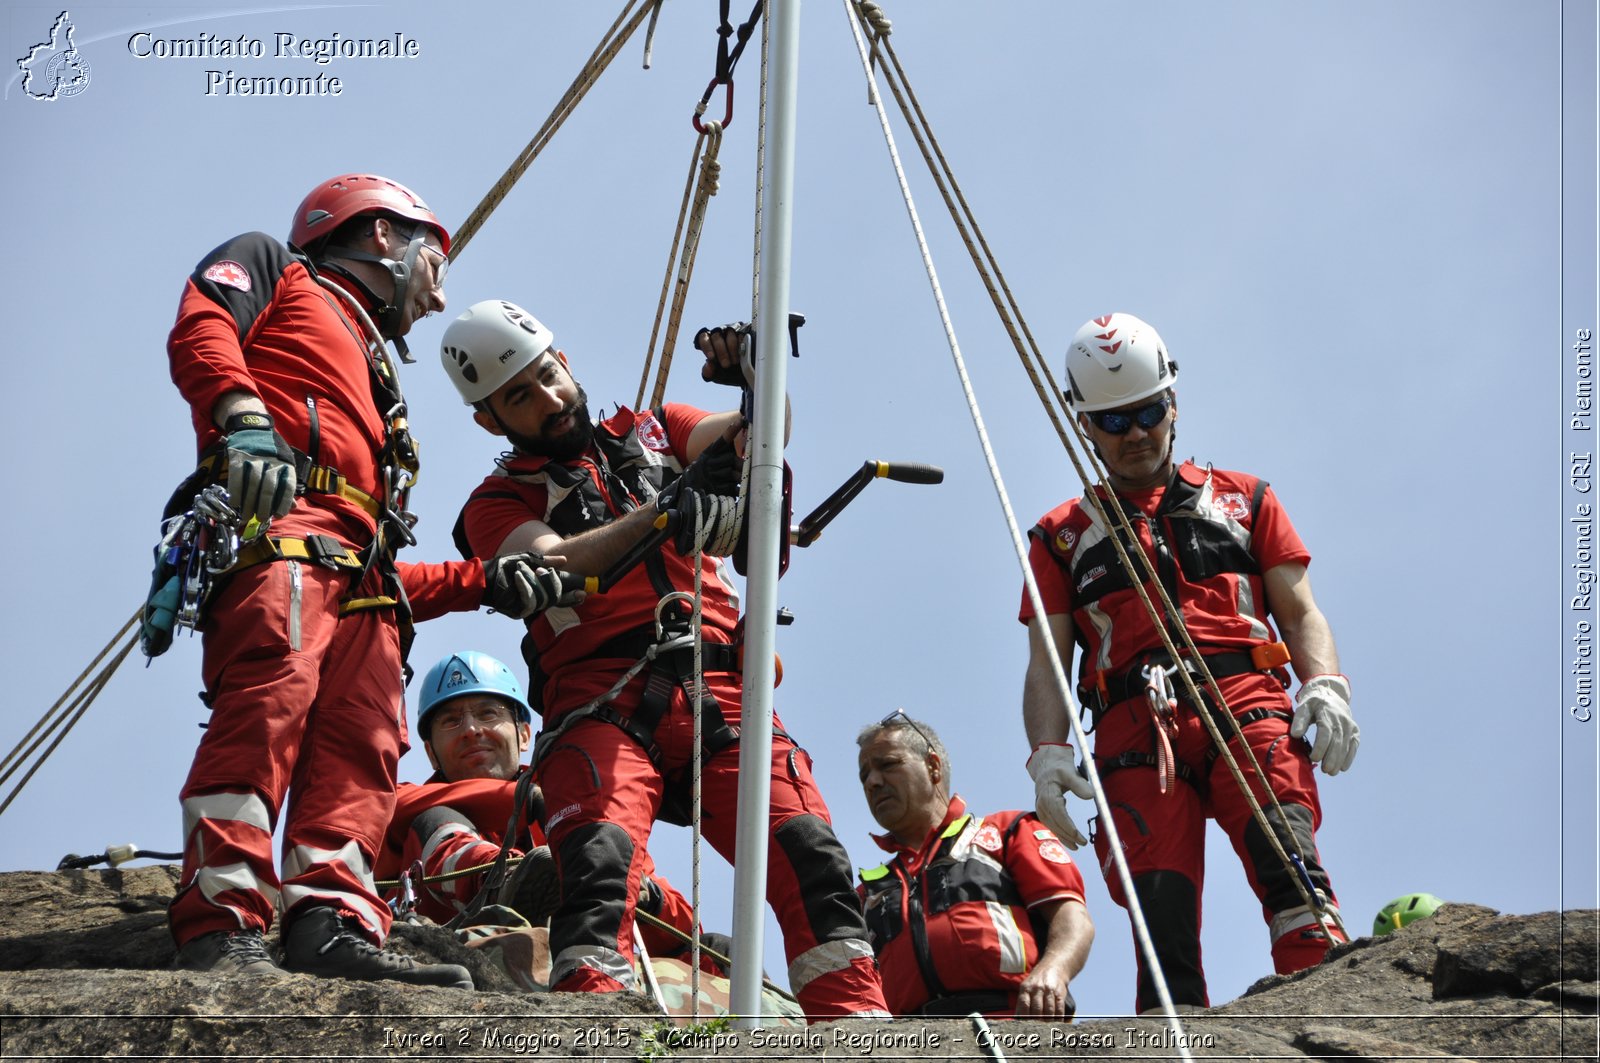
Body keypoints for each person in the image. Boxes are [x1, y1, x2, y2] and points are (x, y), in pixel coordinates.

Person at [164, 175, 567, 986]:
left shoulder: (369, 359)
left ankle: (333, 919)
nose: (438, 290)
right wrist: (242, 419)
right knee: (266, 706)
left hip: (362, 576)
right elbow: (204, 321)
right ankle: (224, 914)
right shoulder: (276, 267)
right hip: (286, 529)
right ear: (384, 236)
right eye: (435, 263)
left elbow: (379, 551)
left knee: (363, 747)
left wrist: (485, 579)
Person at [441, 298, 889, 1020]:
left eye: (549, 374)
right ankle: (600, 1023)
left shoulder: (659, 430)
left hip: (717, 683)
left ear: (567, 362)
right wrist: (663, 512)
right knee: (598, 869)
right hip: (602, 699)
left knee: (810, 853)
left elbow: (756, 440)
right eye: (521, 396)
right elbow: (549, 563)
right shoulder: (495, 501)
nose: (551, 399)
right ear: (489, 420)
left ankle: (856, 1024)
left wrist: (758, 379)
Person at [1019, 312, 1360, 1013]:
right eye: (1115, 421)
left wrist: (1324, 682)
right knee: (1158, 915)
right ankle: (1176, 1043)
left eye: (1149, 411)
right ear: (1085, 424)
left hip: (1245, 698)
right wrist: (1048, 754)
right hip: (1133, 726)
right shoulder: (1063, 536)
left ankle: (1324, 1015)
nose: (1137, 432)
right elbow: (1050, 661)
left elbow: (1299, 612)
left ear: (1174, 404)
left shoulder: (1246, 498)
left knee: (1292, 873)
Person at [378, 649, 711, 972]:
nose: (471, 729)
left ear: (524, 734)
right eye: (451, 721)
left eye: (488, 713)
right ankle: (497, 881)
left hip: (557, 953)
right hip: (450, 940)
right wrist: (527, 798)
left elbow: (684, 929)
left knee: (716, 952)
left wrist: (649, 896)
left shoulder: (572, 809)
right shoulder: (406, 801)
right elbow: (388, 805)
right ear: (432, 755)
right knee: (436, 819)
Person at [855, 711, 1093, 1019]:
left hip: (1014, 1028)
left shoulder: (1008, 831)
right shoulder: (865, 893)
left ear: (933, 766)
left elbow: (1072, 916)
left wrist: (1054, 971)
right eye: (864, 776)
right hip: (911, 1044)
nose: (873, 782)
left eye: (887, 764)